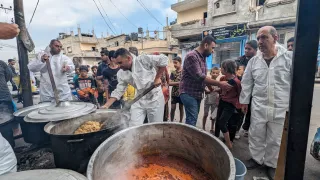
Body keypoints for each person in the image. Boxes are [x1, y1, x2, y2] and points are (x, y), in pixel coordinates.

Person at [240, 26, 292, 180]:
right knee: (256, 134)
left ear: (275, 38)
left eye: (264, 37)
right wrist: (244, 101)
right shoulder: (254, 61)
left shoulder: (289, 58)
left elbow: (297, 82)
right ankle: (256, 159)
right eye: (258, 38)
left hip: (281, 107)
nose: (260, 42)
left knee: (275, 139)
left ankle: (270, 164)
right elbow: (247, 82)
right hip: (259, 106)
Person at [102, 48, 168, 127]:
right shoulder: (121, 73)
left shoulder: (143, 60)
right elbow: (119, 90)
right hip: (139, 99)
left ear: (129, 58)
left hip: (155, 98)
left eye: (120, 63)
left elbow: (164, 59)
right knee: (133, 125)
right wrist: (106, 105)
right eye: (117, 63)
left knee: (155, 126)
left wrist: (157, 78)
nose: (119, 66)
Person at [179, 35, 232, 126]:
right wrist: (220, 83)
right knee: (191, 120)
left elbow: (203, 77)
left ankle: (188, 137)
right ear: (206, 45)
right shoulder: (192, 56)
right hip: (188, 93)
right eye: (213, 48)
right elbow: (200, 76)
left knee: (193, 119)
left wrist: (210, 89)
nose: (213, 51)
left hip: (196, 93)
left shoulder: (202, 58)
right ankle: (186, 139)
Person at [0, 22, 19, 175]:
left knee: (5, 130)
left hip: (3, 101)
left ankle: (13, 149)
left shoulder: (1, 64)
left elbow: (8, 77)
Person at [214, 60, 241, 149]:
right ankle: (217, 138)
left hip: (230, 105)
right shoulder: (223, 79)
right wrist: (214, 90)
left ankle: (229, 144)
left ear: (226, 69)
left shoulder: (236, 82)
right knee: (219, 121)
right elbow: (222, 89)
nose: (220, 69)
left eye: (221, 67)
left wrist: (241, 105)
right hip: (222, 102)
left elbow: (240, 94)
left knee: (222, 123)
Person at [235, 40, 258, 138]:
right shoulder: (240, 60)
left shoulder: (259, 61)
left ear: (256, 50)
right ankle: (236, 130)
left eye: (249, 49)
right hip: (242, 91)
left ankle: (246, 129)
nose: (246, 51)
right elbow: (238, 74)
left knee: (252, 112)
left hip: (255, 92)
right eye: (245, 48)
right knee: (241, 111)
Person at [202, 67, 220, 133]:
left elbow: (219, 91)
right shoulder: (208, 81)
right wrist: (206, 91)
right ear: (210, 73)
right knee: (205, 114)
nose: (215, 74)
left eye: (216, 73)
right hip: (207, 100)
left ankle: (212, 127)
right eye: (213, 72)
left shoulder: (218, 83)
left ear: (218, 74)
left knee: (213, 116)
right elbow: (204, 89)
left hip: (215, 101)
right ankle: (203, 127)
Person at [169, 56, 184, 123]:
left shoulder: (184, 72)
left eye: (176, 63)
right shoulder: (173, 73)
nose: (174, 64)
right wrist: (178, 83)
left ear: (180, 62)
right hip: (174, 93)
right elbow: (169, 83)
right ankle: (171, 122)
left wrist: (175, 83)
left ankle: (180, 122)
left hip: (182, 93)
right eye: (173, 63)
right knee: (172, 108)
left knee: (181, 108)